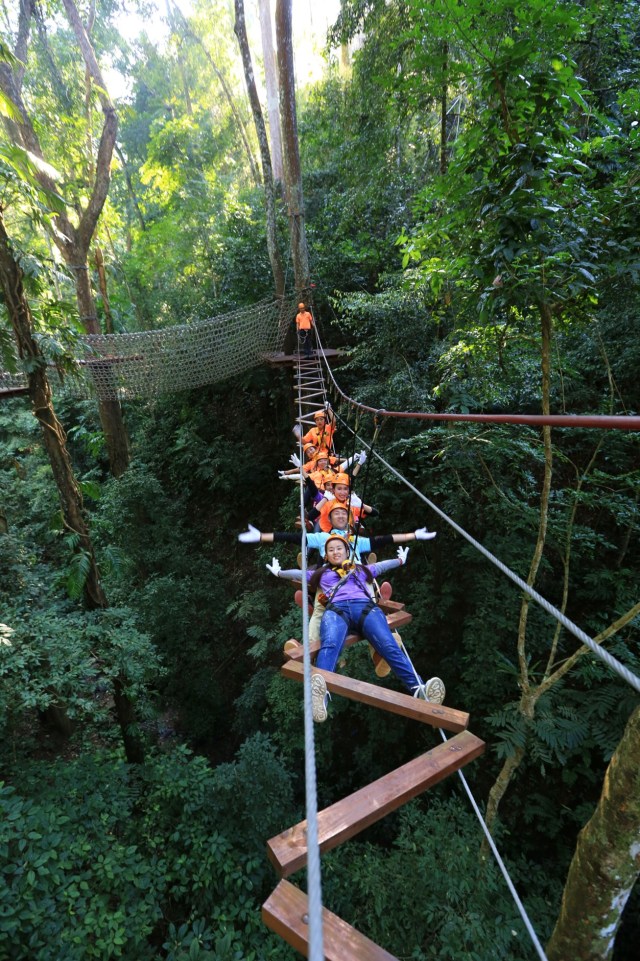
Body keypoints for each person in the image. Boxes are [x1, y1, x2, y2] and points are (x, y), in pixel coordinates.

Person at [265, 535, 445, 722]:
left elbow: (381, 566)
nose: (335, 552)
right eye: (331, 549)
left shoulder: (360, 569)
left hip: (365, 608)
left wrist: (400, 560)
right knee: (330, 644)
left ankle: (419, 689)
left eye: (339, 548)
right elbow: (299, 574)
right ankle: (321, 696)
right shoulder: (321, 573)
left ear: (347, 552)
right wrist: (280, 573)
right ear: (326, 555)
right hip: (337, 609)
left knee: (388, 644)